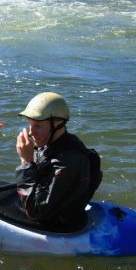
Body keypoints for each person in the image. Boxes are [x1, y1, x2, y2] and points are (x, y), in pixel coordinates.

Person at [15, 92, 99, 230]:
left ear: (58, 124)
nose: (31, 133)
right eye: (29, 125)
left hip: (58, 224)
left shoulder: (67, 161)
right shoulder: (53, 143)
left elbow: (35, 212)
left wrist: (25, 162)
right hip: (48, 206)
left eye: (38, 126)